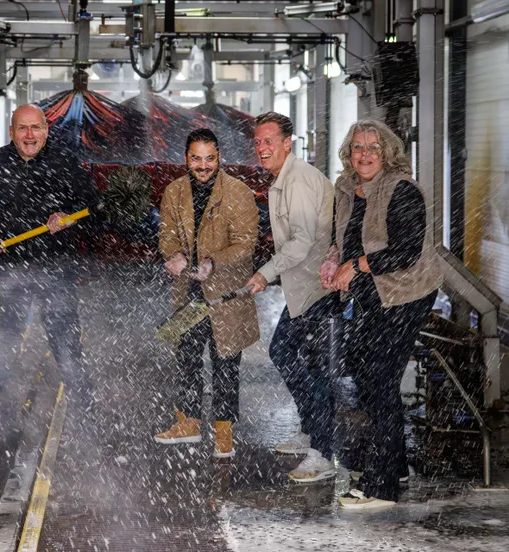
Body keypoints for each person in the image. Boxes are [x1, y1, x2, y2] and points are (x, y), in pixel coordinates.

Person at [0, 103, 98, 459]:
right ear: (12, 132)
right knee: (6, 354)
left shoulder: (65, 161)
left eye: (35, 128)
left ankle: (88, 431)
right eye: (22, 129)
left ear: (46, 130)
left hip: (56, 271)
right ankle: (4, 431)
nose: (29, 135)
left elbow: (93, 205)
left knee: (68, 355)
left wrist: (68, 217)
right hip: (10, 272)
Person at [323, 119, 441, 510]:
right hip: (373, 295)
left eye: (374, 147)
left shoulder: (402, 190)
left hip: (406, 293)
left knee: (379, 379)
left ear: (388, 153)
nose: (365, 154)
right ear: (348, 153)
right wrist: (333, 259)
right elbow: (343, 237)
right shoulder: (346, 188)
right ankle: (397, 464)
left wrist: (354, 267)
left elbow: (406, 252)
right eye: (358, 147)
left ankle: (383, 487)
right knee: (362, 370)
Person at [155, 128, 260, 458]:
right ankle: (188, 423)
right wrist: (175, 255)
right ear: (186, 158)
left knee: (226, 361)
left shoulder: (238, 193)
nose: (203, 166)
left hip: (226, 294)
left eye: (210, 158)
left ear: (219, 158)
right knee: (186, 356)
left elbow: (245, 244)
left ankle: (223, 432)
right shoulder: (174, 192)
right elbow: (167, 234)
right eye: (196, 159)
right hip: (189, 290)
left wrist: (214, 262)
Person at [245, 112, 338, 483]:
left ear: (288, 143)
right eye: (258, 142)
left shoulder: (298, 181)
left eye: (270, 141)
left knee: (312, 369)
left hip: (318, 287)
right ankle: (311, 430)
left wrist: (264, 273)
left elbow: (301, 242)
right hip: (304, 287)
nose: (262, 148)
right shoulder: (285, 178)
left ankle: (322, 453)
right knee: (284, 352)